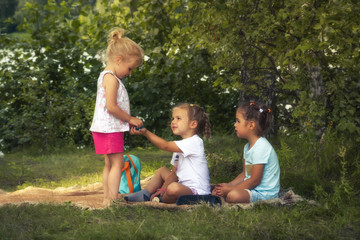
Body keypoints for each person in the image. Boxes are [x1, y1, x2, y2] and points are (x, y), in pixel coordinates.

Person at [90, 27, 144, 206]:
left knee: (109, 164)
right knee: (117, 163)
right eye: (130, 68)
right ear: (118, 59)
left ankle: (107, 199)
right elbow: (112, 107)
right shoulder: (111, 78)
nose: (130, 73)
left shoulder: (106, 76)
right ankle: (112, 200)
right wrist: (130, 119)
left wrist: (124, 123)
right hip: (109, 129)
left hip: (103, 128)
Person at [124, 103, 211, 203]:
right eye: (173, 118)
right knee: (162, 171)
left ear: (193, 124)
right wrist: (162, 189)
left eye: (178, 118)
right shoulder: (180, 146)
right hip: (182, 184)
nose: (173, 122)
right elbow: (174, 173)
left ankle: (160, 199)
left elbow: (165, 145)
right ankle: (146, 193)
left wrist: (146, 132)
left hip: (196, 192)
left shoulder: (195, 142)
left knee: (173, 188)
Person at [212, 101, 280, 203]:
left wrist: (230, 190)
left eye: (238, 121)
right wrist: (229, 185)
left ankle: (225, 198)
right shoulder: (247, 146)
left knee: (233, 195)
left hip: (263, 193)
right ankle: (223, 197)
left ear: (251, 125)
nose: (235, 125)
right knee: (217, 192)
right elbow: (244, 174)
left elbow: (254, 180)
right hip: (251, 189)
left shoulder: (261, 147)